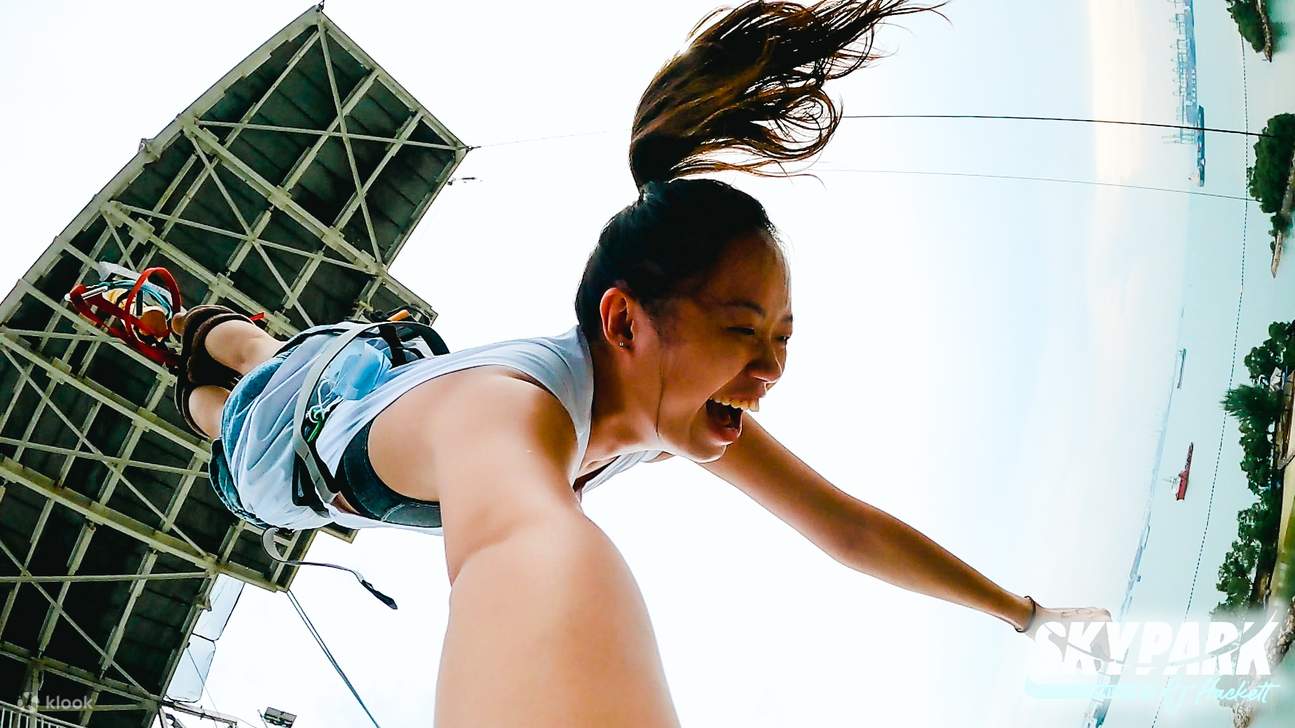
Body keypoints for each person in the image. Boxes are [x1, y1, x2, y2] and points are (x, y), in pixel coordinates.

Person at [100, 1, 1111, 725]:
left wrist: (1024, 615)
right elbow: (519, 550)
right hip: (305, 437)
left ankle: (195, 327)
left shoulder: (670, 411)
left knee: (264, 367)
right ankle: (186, 325)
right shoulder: (507, 423)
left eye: (780, 341)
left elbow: (841, 524)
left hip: (377, 374)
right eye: (739, 330)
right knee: (225, 399)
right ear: (625, 322)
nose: (766, 371)